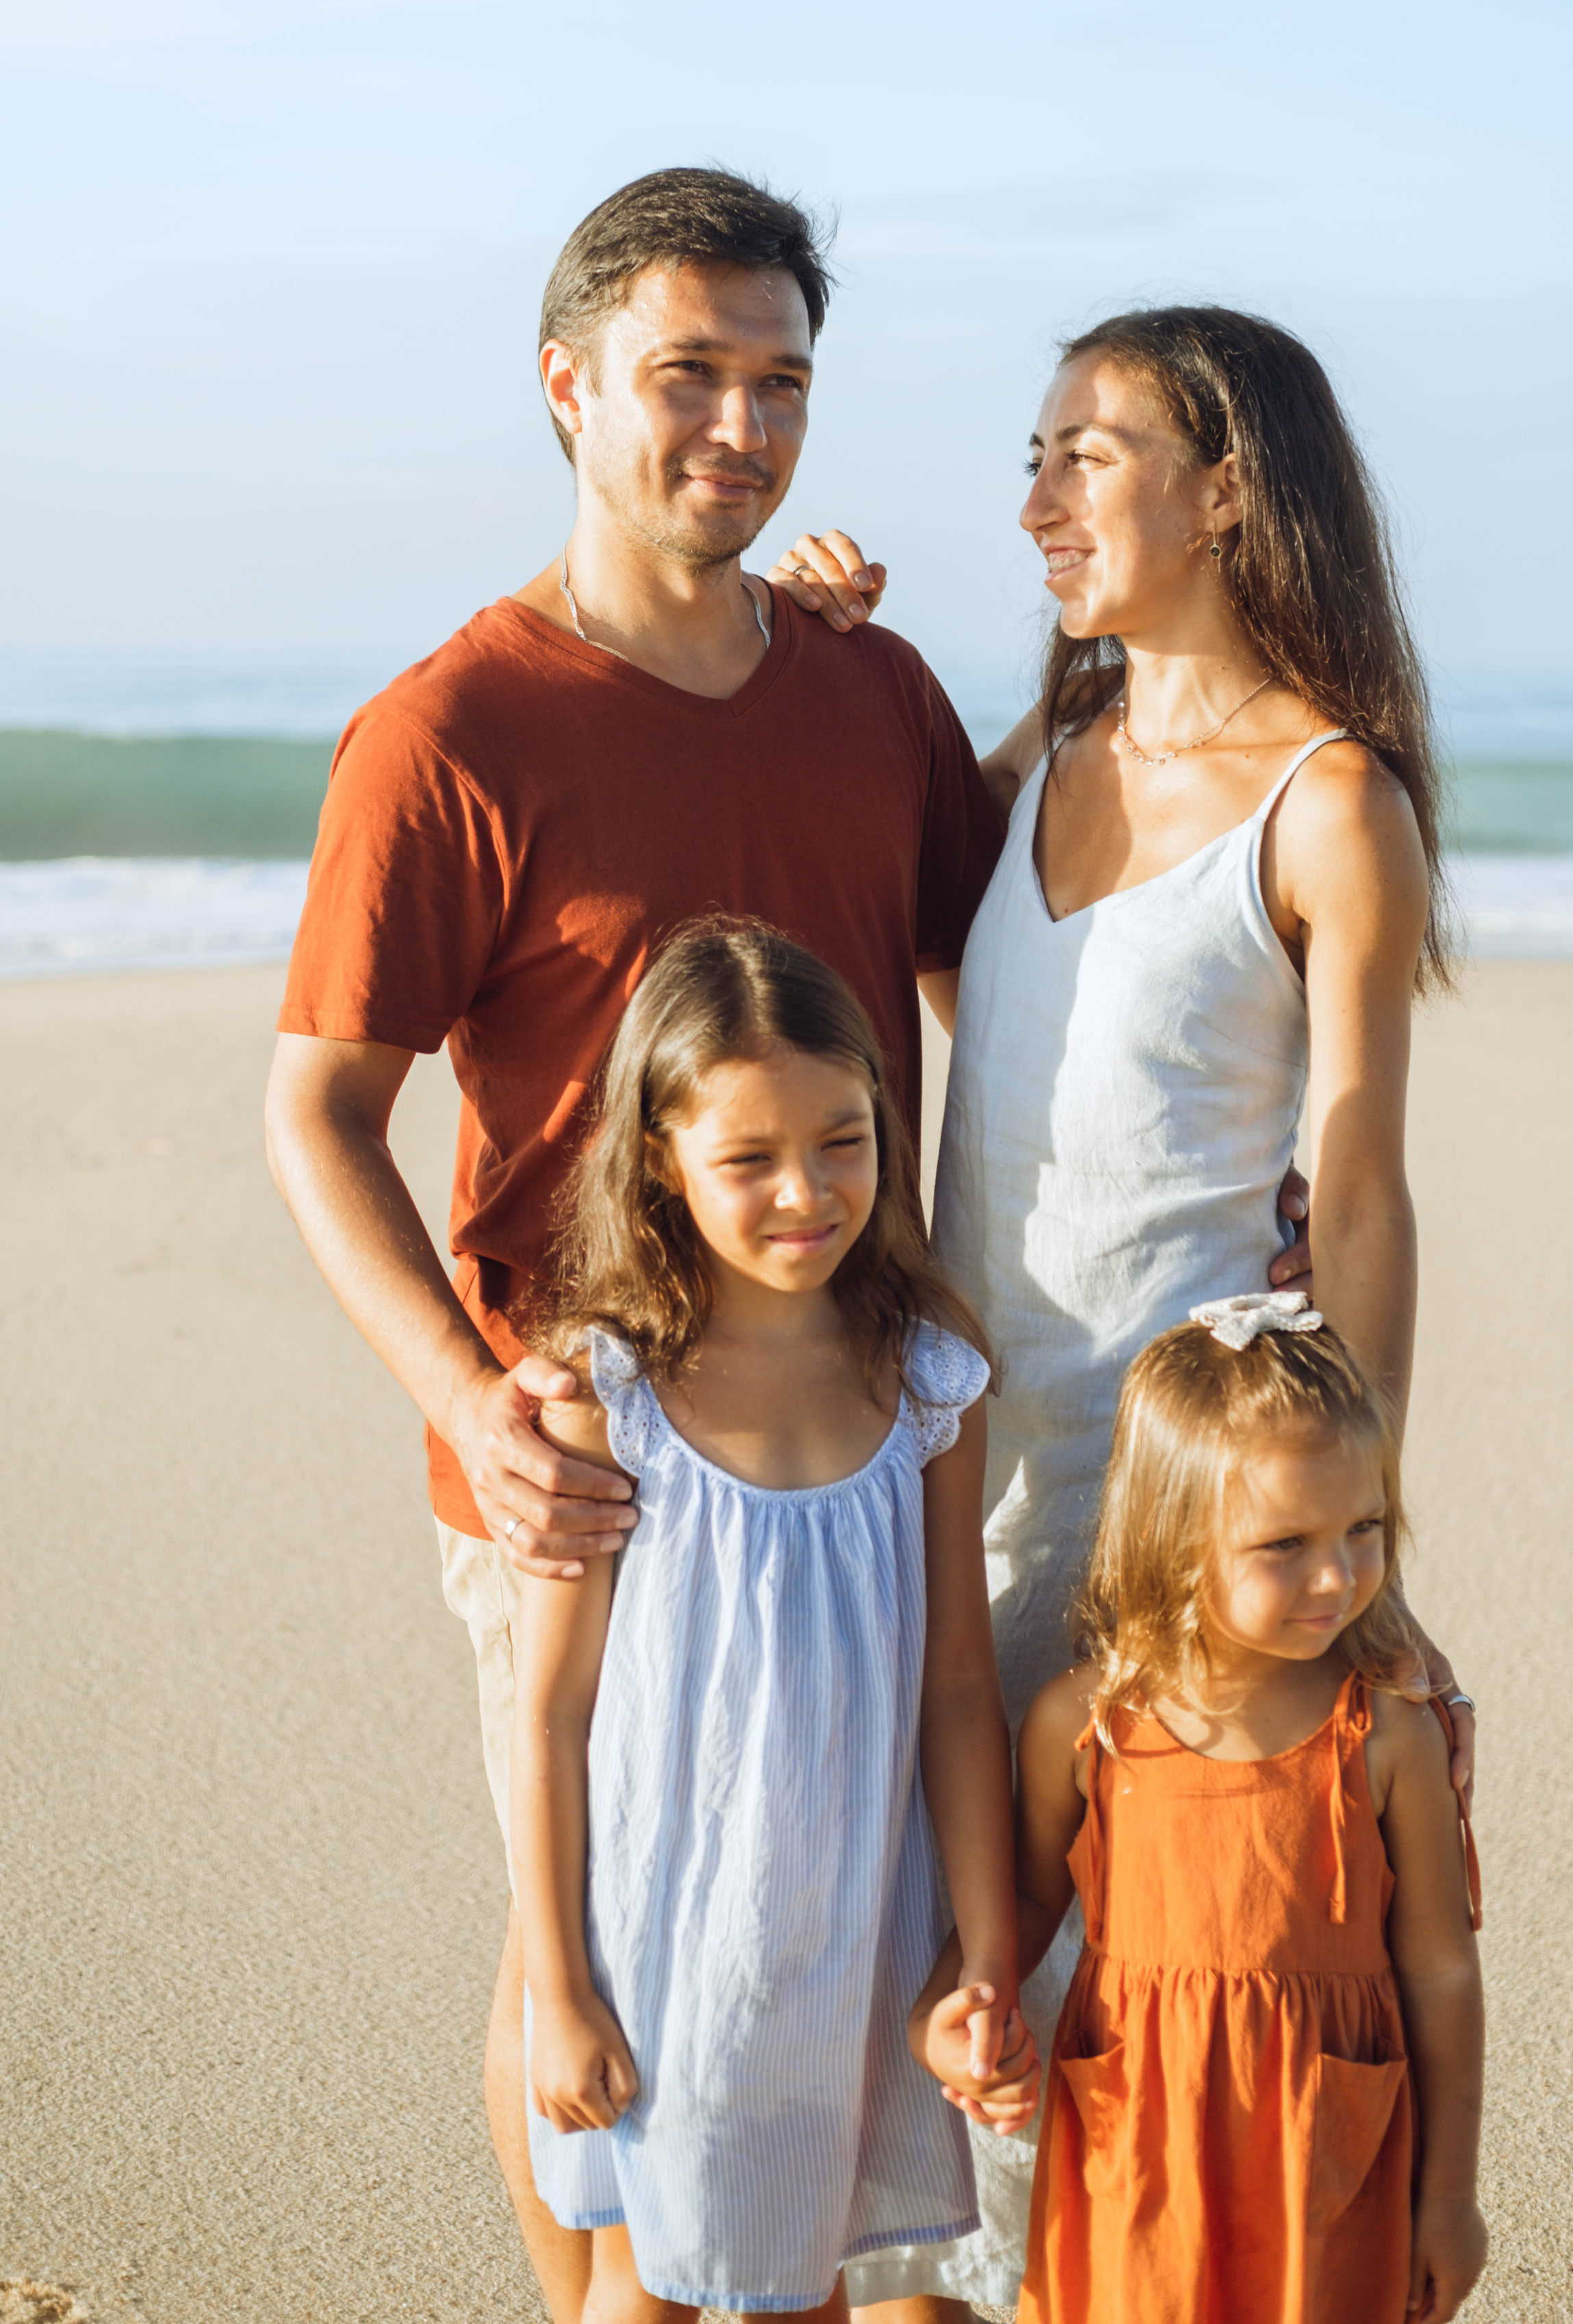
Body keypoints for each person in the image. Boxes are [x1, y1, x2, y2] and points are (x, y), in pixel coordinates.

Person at [261, 168, 1021, 2323]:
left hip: (865, 1435)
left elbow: (1009, 969)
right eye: (688, 375)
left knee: (833, 1911)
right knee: (585, 1936)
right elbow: (318, 1115)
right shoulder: (450, 734)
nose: (744, 428)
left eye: (781, 382)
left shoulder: (866, 690)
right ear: (568, 385)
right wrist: (468, 1405)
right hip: (582, 1467)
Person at [772, 304, 1474, 2318]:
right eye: (1038, 451)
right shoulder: (1044, 754)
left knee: (1091, 2011)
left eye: (1088, 453)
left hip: (1156, 1493)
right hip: (939, 1445)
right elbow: (985, 1008)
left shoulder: (1333, 805)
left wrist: (1366, 1530)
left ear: (1230, 489)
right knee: (930, 1974)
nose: (1036, 500)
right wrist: (829, 651)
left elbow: (1359, 1179)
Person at [508, 919, 1033, 2321]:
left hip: (851, 1927)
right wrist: (554, 1989)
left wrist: (982, 1953)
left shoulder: (929, 1383)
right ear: (661, 1159)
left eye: (843, 1139)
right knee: (645, 2286)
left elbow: (959, 1696)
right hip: (663, 1933)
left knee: (802, 2281)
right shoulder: (606, 1395)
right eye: (747, 1158)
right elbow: (549, 1716)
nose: (805, 1192)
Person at [1008, 1299, 1486, 2324]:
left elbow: (1441, 1967)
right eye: (1285, 1544)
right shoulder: (1086, 1727)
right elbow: (1020, 1910)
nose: (1339, 1575)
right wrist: (965, 1999)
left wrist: (1448, 2195)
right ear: (1174, 1541)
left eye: (1365, 1528)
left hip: (1329, 2163)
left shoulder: (1387, 1737)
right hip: (1140, 2159)